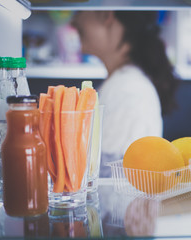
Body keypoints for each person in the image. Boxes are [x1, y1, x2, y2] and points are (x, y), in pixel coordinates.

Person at [71, 11, 180, 177]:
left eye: (79, 11)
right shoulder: (123, 83)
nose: (74, 20)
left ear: (107, 15)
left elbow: (110, 177)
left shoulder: (126, 88)